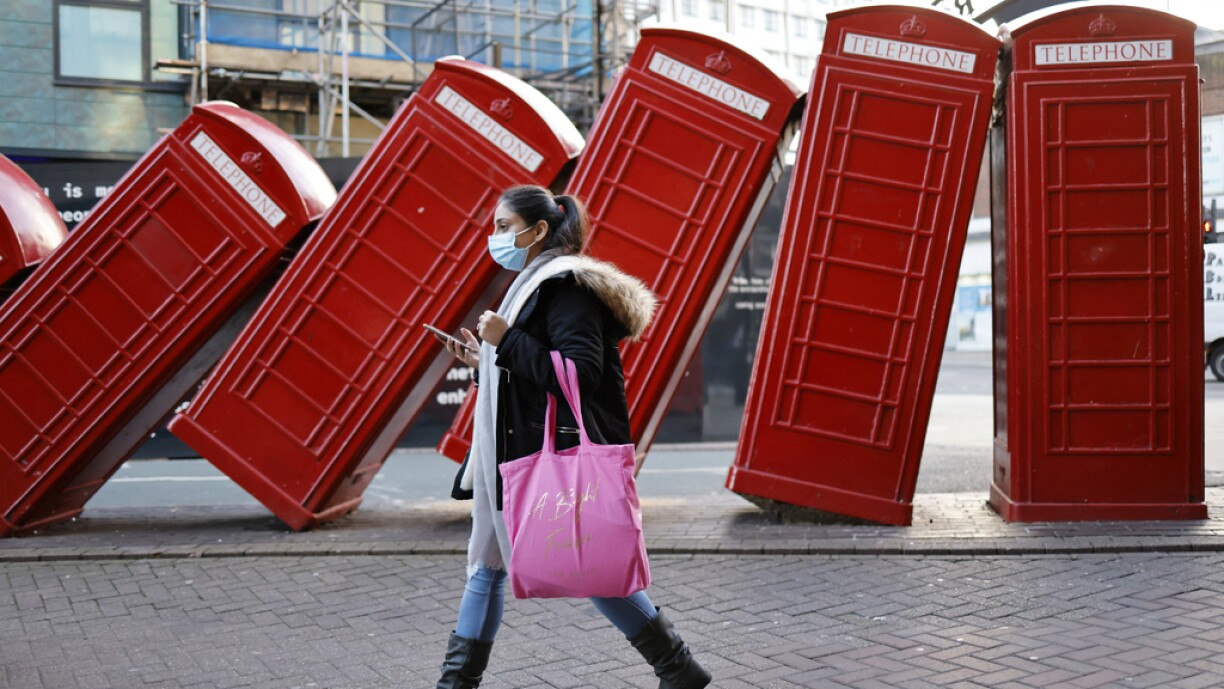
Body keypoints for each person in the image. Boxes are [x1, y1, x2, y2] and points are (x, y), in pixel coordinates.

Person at [431, 185, 712, 689]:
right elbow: (532, 379)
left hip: (544, 457)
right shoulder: (532, 283)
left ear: (538, 231)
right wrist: (484, 363)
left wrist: (508, 341)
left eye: (502, 227)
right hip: (511, 455)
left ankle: (679, 667)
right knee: (487, 567)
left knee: (589, 568)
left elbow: (581, 375)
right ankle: (678, 668)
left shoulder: (566, 289)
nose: (494, 238)